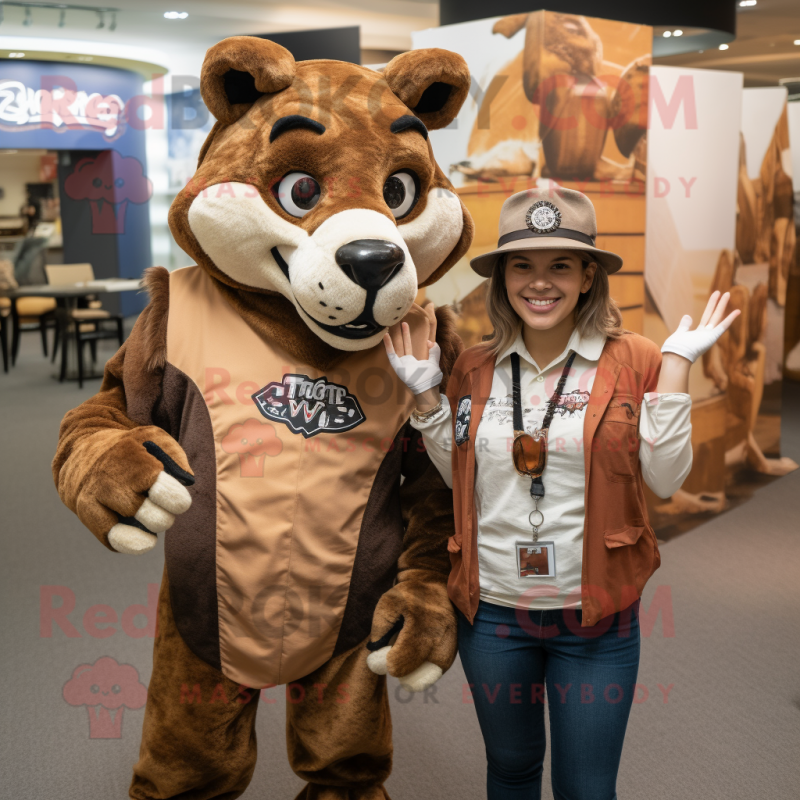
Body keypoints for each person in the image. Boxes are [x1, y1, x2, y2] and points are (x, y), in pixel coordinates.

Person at [384, 187, 738, 800]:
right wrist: (426, 400)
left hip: (594, 618)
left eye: (560, 265)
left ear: (587, 276)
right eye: (522, 264)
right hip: (493, 614)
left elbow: (666, 479)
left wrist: (677, 368)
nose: (539, 282)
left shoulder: (636, 359)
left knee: (588, 788)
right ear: (502, 279)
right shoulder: (473, 366)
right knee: (512, 770)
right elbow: (459, 478)